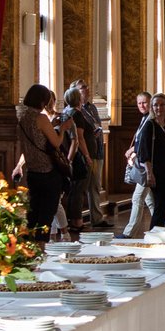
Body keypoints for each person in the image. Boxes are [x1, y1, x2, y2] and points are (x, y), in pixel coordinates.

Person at [14, 83, 68, 237]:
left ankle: (31, 249)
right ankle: (42, 248)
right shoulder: (41, 118)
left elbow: (29, 142)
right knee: (46, 214)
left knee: (33, 213)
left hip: (32, 171)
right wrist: (62, 129)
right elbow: (56, 142)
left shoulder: (22, 118)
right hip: (48, 171)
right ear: (42, 101)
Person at [57, 81, 103, 235]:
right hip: (80, 157)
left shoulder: (67, 112)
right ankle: (76, 222)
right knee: (79, 189)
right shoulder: (76, 114)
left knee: (76, 189)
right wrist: (88, 156)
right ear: (77, 98)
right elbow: (80, 138)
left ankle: (74, 221)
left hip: (75, 156)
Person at [133, 92, 165, 232]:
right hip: (156, 172)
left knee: (163, 206)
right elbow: (144, 152)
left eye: (161, 105)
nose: (158, 108)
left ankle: (159, 233)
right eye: (155, 105)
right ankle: (154, 235)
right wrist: (149, 173)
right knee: (159, 206)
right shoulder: (150, 126)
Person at [122, 92, 153, 237]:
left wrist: (133, 149)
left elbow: (144, 142)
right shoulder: (144, 118)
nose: (142, 105)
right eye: (139, 103)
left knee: (137, 198)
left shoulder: (151, 120)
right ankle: (162, 228)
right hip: (141, 163)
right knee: (149, 200)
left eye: (145, 102)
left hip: (147, 166)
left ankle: (129, 233)